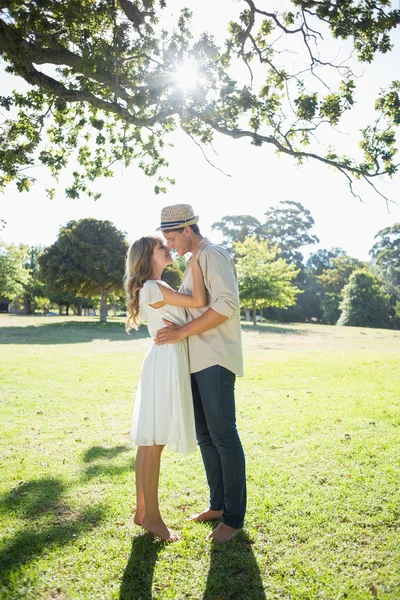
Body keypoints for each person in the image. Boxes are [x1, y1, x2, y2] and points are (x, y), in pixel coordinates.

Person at [155, 204, 246, 544]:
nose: (171, 245)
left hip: (215, 358)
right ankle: (219, 506)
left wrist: (181, 332)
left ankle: (234, 519)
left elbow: (226, 304)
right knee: (206, 436)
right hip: (195, 362)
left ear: (189, 230)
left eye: (173, 237)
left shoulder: (212, 254)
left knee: (223, 436)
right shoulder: (194, 261)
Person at [124, 235, 207, 542]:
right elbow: (199, 301)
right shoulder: (153, 287)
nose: (168, 249)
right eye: (162, 247)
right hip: (165, 362)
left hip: (163, 359)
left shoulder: (154, 287)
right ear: (149, 256)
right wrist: (194, 260)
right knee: (153, 442)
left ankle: (142, 511)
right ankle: (154, 519)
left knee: (149, 442)